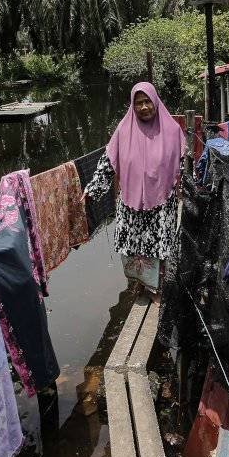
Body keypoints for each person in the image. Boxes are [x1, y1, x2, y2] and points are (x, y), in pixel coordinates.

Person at [84, 82, 187, 300]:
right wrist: (93, 188)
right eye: (138, 103)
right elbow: (108, 162)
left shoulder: (172, 131)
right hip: (129, 203)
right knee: (131, 245)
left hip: (160, 203)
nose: (143, 107)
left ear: (155, 102)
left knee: (158, 244)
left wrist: (189, 189)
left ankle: (156, 288)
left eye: (147, 101)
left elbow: (184, 165)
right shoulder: (123, 130)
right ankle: (139, 283)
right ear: (133, 106)